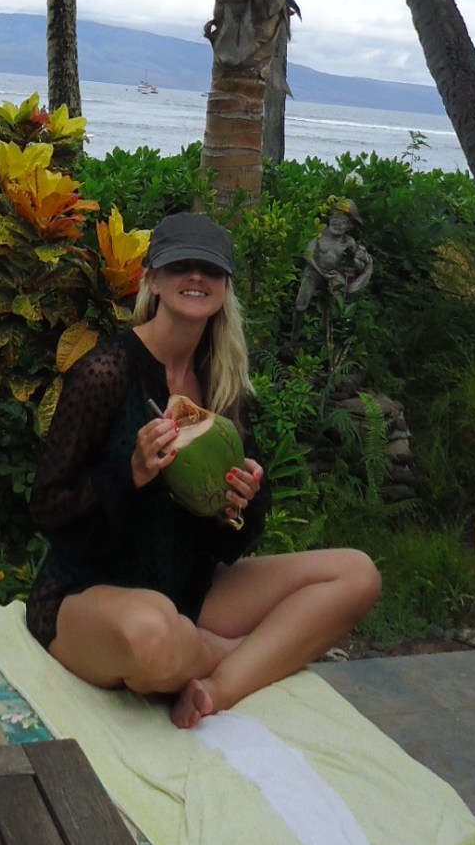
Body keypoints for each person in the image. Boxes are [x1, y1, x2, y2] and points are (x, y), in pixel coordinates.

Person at [25, 211, 381, 729]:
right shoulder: (107, 372)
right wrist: (131, 476)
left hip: (190, 590)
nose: (196, 277)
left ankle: (217, 686)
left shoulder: (222, 383)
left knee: (357, 574)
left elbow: (229, 540)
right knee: (151, 637)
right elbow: (47, 507)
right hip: (93, 594)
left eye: (210, 269)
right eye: (180, 266)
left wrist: (239, 504)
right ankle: (237, 652)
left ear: (224, 287)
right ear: (153, 279)